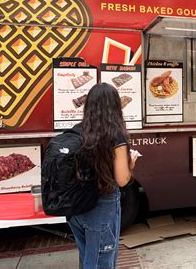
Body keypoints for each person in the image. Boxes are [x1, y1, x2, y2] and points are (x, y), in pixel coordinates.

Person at [68, 83, 138, 268]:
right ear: (115, 106)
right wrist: (131, 163)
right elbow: (122, 180)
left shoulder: (77, 130)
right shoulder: (115, 136)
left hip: (75, 208)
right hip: (101, 207)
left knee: (87, 260)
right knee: (101, 263)